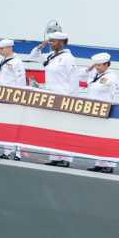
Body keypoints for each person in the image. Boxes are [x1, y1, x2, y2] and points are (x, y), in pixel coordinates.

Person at [25, 32, 80, 166]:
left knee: (64, 129)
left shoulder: (68, 58)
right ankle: (55, 157)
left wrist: (71, 100)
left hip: (63, 98)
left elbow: (74, 80)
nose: (51, 43)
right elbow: (32, 56)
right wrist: (40, 47)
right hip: (51, 97)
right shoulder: (51, 55)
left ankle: (65, 159)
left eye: (53, 41)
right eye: (50, 41)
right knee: (53, 129)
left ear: (62, 42)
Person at [82, 53, 119, 173]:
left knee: (108, 139)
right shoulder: (94, 74)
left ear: (107, 64)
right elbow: (79, 76)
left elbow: (117, 95)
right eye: (96, 65)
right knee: (98, 139)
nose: (97, 67)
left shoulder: (112, 77)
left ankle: (109, 164)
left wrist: (115, 112)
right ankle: (99, 163)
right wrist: (88, 68)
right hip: (95, 111)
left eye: (99, 65)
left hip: (108, 111)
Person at [0, 39, 27, 160]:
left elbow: (20, 80)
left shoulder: (17, 62)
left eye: (2, 49)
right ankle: (6, 152)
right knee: (5, 126)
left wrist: (19, 98)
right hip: (2, 98)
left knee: (15, 127)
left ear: (9, 48)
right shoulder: (3, 60)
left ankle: (17, 153)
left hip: (13, 98)